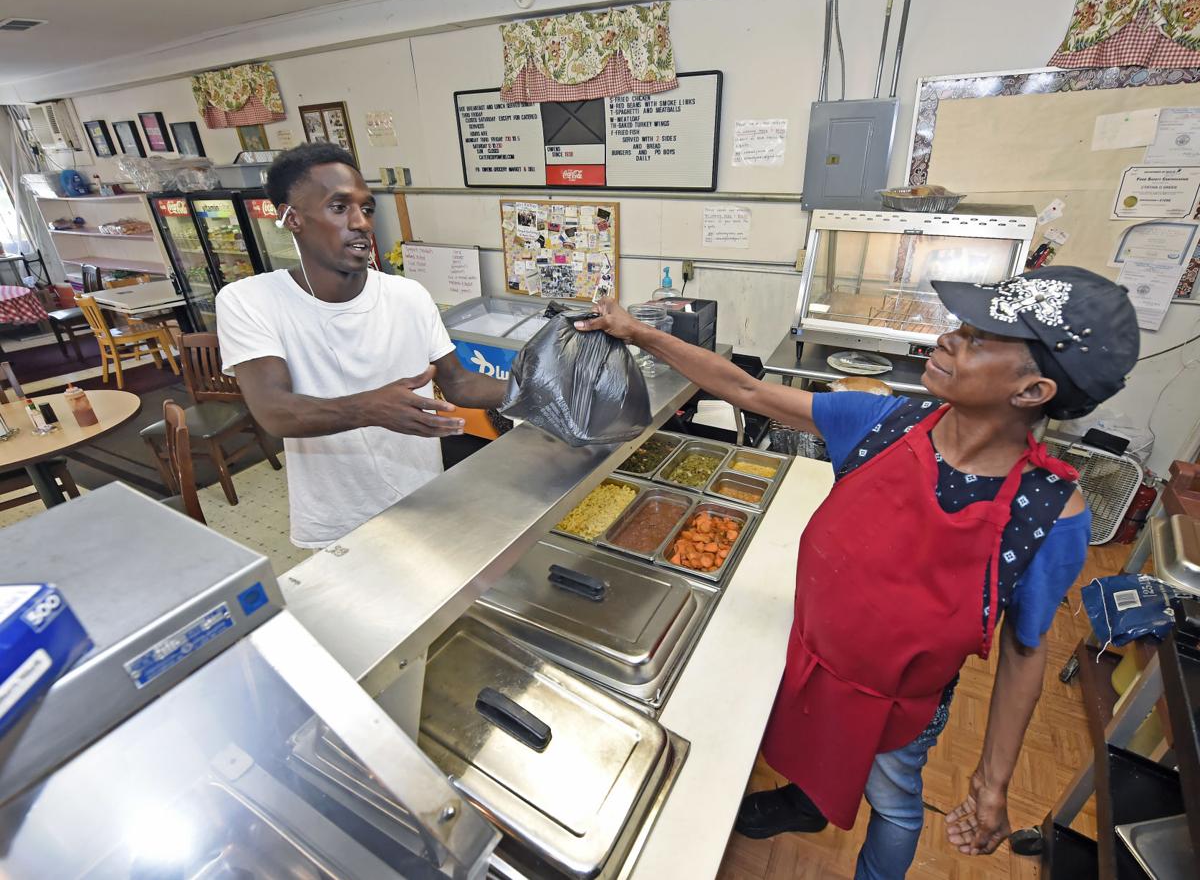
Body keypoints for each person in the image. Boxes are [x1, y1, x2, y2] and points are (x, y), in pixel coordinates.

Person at [577, 267, 1139, 879]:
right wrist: (636, 332)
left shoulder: (1051, 512)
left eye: (977, 338)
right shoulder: (883, 424)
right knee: (806, 744)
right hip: (811, 655)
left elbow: (1026, 649)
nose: (948, 337)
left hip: (899, 704)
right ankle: (807, 802)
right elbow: (747, 390)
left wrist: (990, 781)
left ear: (1032, 392)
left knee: (894, 804)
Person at [216, 143, 506, 548]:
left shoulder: (408, 295)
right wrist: (369, 407)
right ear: (292, 218)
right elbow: (275, 411)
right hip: (338, 519)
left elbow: (459, 384)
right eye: (339, 208)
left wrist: (542, 385)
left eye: (367, 209)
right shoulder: (249, 301)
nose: (361, 223)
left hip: (423, 496)